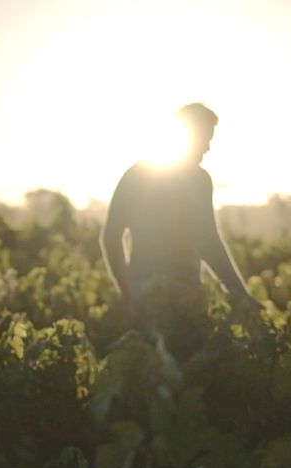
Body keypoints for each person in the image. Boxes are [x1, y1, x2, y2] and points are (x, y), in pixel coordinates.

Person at [100, 103, 260, 361]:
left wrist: (127, 290)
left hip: (160, 294)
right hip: (170, 296)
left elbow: (111, 236)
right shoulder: (190, 180)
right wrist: (239, 293)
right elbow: (208, 243)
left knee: (157, 379)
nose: (207, 148)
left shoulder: (144, 175)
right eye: (205, 139)